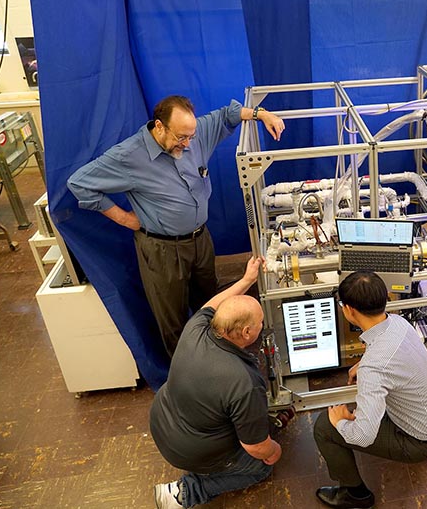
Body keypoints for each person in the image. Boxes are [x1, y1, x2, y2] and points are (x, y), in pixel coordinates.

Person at [67, 96, 285, 357]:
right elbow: (79, 183)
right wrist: (125, 218)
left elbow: (229, 114)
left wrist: (263, 114)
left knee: (212, 306)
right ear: (159, 126)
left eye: (191, 137)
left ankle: (218, 361)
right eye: (181, 137)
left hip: (201, 241)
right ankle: (187, 374)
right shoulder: (129, 156)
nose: (188, 144)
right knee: (173, 320)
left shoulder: (193, 133)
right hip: (162, 250)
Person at [149, 255, 281, 509]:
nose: (262, 326)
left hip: (163, 418)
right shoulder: (244, 382)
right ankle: (185, 493)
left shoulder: (196, 328)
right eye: (260, 323)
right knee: (261, 467)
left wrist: (247, 280)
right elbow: (255, 446)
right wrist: (273, 450)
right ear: (246, 333)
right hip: (190, 449)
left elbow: (212, 304)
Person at [313, 271, 427, 508]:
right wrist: (363, 364)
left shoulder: (375, 368)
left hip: (417, 442)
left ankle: (354, 494)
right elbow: (389, 356)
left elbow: (363, 437)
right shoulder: (398, 323)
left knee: (324, 427)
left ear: (349, 310)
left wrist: (340, 422)